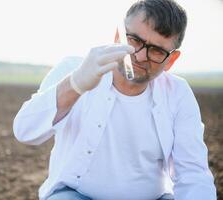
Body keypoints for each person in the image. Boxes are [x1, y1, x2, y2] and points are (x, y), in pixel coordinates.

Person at [13, 0, 217, 199]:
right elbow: (25, 131)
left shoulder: (177, 93)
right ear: (117, 35)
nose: (139, 56)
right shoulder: (74, 69)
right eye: (134, 40)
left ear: (171, 60)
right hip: (74, 194)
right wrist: (75, 84)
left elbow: (193, 173)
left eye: (156, 50)